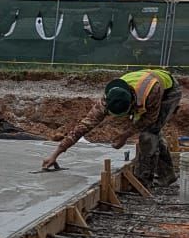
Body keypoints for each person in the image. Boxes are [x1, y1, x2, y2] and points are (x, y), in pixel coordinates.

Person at [41, 68, 181, 187]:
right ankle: (167, 175)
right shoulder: (107, 99)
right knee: (153, 133)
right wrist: (55, 154)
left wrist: (126, 135)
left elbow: (149, 119)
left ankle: (144, 180)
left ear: (132, 102)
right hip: (144, 86)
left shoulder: (150, 93)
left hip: (168, 92)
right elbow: (84, 126)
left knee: (149, 133)